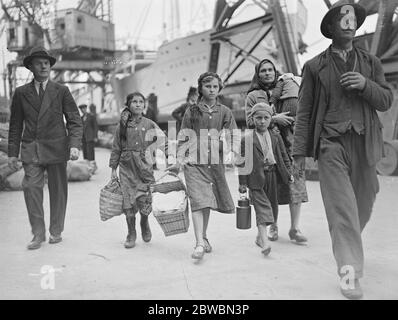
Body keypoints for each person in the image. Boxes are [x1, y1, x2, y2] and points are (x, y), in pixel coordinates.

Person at [293, 0, 393, 299]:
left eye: (352, 17)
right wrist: (298, 154)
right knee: (341, 209)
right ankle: (349, 271)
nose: (349, 22)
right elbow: (304, 111)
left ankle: (347, 241)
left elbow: (385, 100)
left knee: (365, 200)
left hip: (364, 142)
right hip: (330, 144)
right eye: (342, 17)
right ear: (331, 27)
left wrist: (365, 85)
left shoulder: (371, 63)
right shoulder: (314, 67)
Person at [7, 46, 83, 250]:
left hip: (57, 148)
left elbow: (74, 120)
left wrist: (74, 145)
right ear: (30, 67)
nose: (44, 66)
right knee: (31, 187)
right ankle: (38, 233)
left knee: (58, 191)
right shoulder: (21, 93)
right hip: (31, 149)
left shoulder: (61, 91)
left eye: (47, 63)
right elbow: (15, 126)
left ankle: (56, 230)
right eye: (39, 63)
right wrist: (13, 154)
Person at [168, 72, 239, 260]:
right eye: (208, 86)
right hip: (193, 163)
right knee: (198, 202)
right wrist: (178, 161)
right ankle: (199, 243)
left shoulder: (224, 111)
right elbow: (183, 136)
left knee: (206, 202)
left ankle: (204, 236)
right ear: (201, 89)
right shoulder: (191, 111)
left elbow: (233, 134)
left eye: (215, 86)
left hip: (214, 164)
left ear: (219, 88)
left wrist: (231, 152)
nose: (212, 90)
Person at [245, 59, 308, 244]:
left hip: (291, 143)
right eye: (263, 70)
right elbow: (249, 122)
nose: (267, 73)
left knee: (296, 184)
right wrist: (274, 119)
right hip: (267, 148)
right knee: (271, 189)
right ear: (258, 74)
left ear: (275, 71)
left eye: (270, 69)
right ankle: (273, 226)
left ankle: (295, 228)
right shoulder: (253, 96)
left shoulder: (288, 86)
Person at [109, 92, 166, 249]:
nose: (138, 104)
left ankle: (144, 221)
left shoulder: (149, 124)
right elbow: (116, 148)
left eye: (141, 102)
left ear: (144, 105)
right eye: (134, 102)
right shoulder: (121, 125)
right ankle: (131, 232)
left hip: (144, 168)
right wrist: (113, 168)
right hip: (126, 168)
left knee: (145, 199)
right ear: (128, 104)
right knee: (128, 201)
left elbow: (162, 140)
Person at [238, 103, 293, 257]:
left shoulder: (276, 137)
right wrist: (242, 184)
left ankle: (259, 237)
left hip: (273, 176)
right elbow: (242, 163)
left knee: (273, 209)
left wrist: (289, 174)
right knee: (262, 210)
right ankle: (265, 243)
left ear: (270, 119)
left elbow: (284, 157)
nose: (262, 121)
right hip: (255, 179)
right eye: (258, 118)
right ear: (252, 119)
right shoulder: (247, 139)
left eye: (266, 118)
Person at [79, 104, 98, 169]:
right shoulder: (81, 118)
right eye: (81, 109)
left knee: (90, 151)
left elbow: (95, 127)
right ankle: (87, 166)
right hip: (83, 138)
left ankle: (93, 166)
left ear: (86, 108)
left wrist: (95, 136)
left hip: (90, 137)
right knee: (85, 152)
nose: (83, 110)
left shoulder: (91, 116)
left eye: (84, 108)